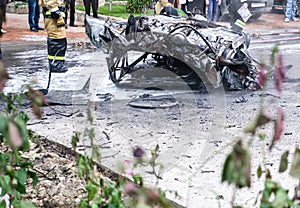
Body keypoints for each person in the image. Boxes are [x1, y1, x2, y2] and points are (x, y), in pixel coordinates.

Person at [39, 0, 68, 73]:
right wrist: (56, 14)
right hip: (53, 17)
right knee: (57, 38)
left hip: (54, 15)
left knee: (58, 38)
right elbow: (50, 2)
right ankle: (56, 64)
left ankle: (57, 63)